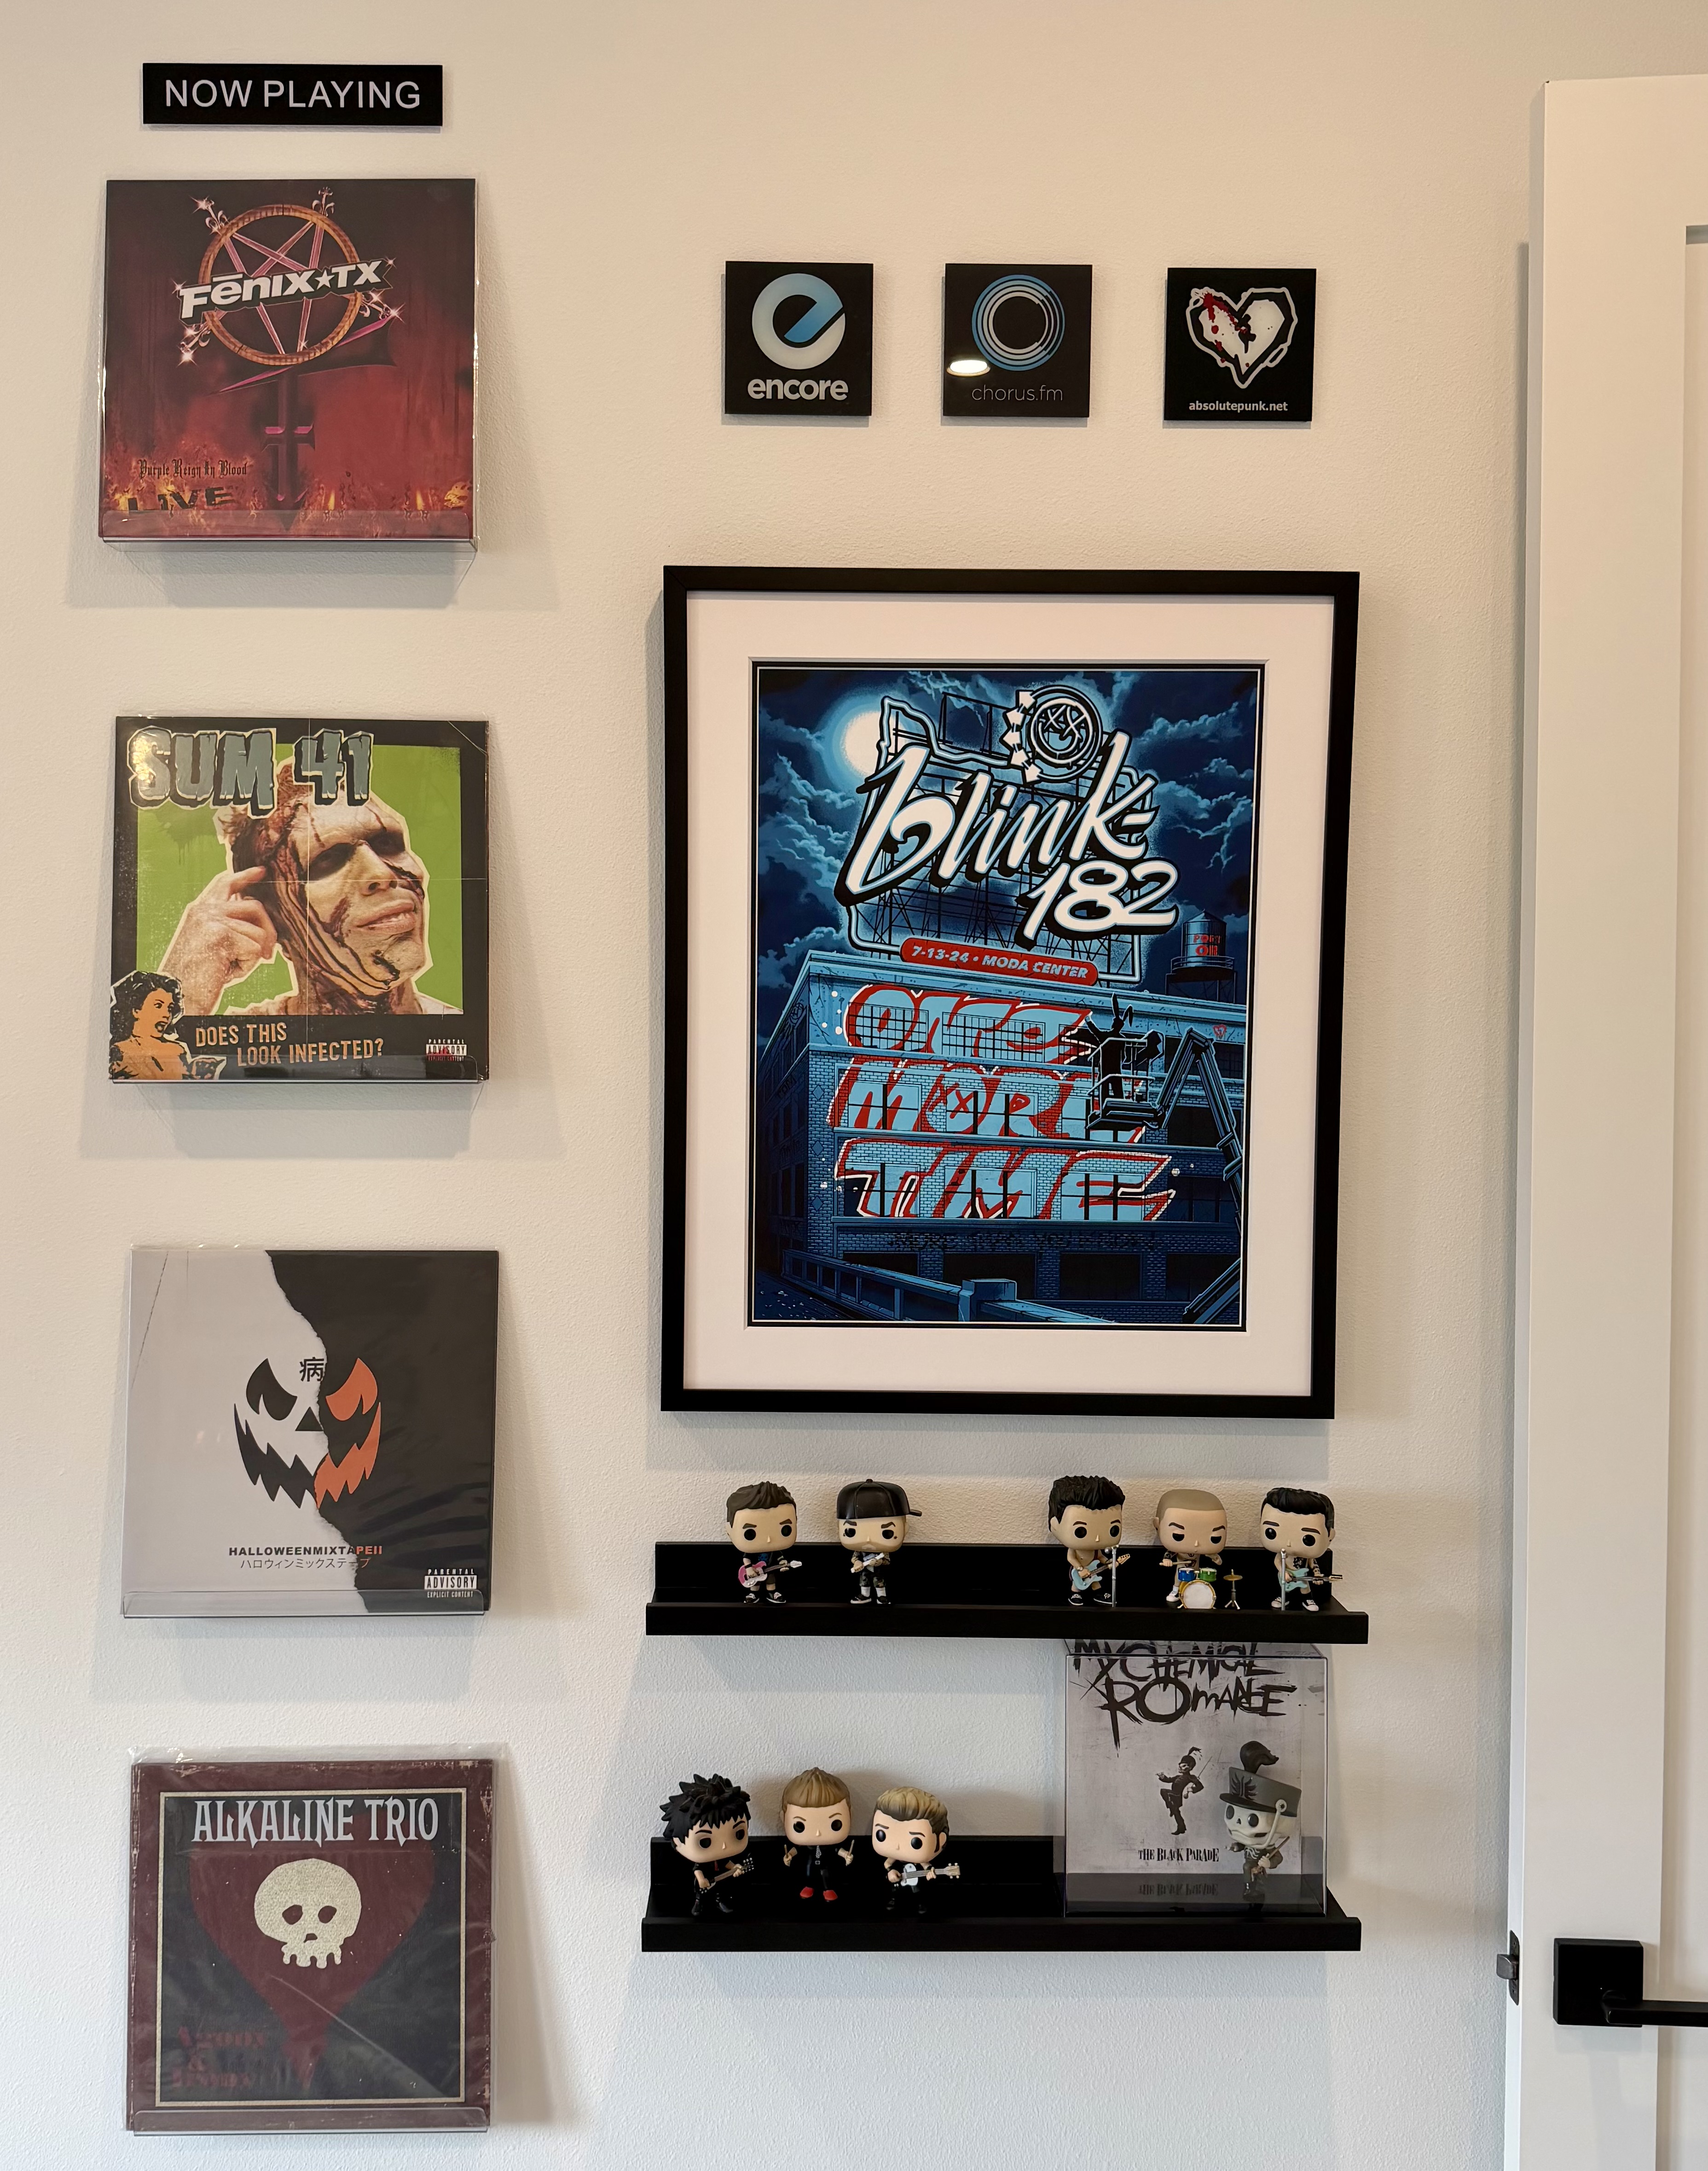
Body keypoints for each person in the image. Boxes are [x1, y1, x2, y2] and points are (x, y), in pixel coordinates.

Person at [157, 759, 457, 1019]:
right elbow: (149, 1063)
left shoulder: (464, 1036)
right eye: (327, 860)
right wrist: (183, 991)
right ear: (271, 918)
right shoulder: (242, 1043)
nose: (382, 873)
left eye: (386, 844)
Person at [660, 1775, 753, 1917]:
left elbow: (727, 1863)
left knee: (721, 1890)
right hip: (705, 1879)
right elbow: (697, 1869)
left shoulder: (722, 1858)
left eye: (739, 1834)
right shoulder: (701, 1862)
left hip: (719, 1878)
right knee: (702, 1892)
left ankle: (720, 1901)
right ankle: (699, 1902)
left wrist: (735, 1868)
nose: (724, 1846)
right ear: (678, 1842)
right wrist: (701, 1879)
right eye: (705, 1842)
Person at [870, 1785, 961, 1916]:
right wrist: (890, 1871)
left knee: (918, 1891)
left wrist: (931, 1874)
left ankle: (920, 1903)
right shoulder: (894, 1857)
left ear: (941, 1840)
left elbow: (928, 1867)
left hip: (916, 1880)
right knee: (895, 1890)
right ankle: (894, 1900)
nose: (898, 1846)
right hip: (899, 1878)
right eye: (882, 1835)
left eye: (916, 1842)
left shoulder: (921, 1860)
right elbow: (887, 1864)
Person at [1047, 1474, 1130, 1605]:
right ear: (1055, 1525)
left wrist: (1109, 1562)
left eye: (1113, 1529)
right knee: (1077, 1584)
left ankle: (1099, 1594)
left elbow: (1101, 1557)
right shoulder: (1074, 1550)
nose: (1097, 1539)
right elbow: (1071, 1558)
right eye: (1080, 1531)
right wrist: (1080, 1569)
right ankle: (1075, 1593)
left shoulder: (1096, 1551)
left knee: (1096, 1581)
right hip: (1079, 1571)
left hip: (1093, 1569)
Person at [837, 1479, 920, 1606]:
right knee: (864, 1582)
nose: (868, 1539)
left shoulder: (883, 1553)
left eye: (887, 1533)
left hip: (878, 1571)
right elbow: (855, 1558)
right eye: (851, 1532)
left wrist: (879, 1562)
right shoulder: (860, 1551)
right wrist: (858, 1563)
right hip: (865, 1570)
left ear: (905, 1529)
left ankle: (882, 1597)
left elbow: (887, 1561)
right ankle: (865, 1596)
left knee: (879, 1582)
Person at [779, 1767, 856, 1904]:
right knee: (809, 1873)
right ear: (784, 1818)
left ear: (850, 1816)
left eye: (835, 1824)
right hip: (809, 1863)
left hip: (827, 1863)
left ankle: (828, 1889)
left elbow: (837, 1850)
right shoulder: (806, 1846)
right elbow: (798, 1850)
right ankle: (809, 1886)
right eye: (800, 1825)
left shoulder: (829, 1846)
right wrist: (789, 1855)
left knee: (827, 1875)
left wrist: (846, 1855)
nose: (818, 1833)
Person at [726, 1481, 802, 1604]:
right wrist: (749, 1569)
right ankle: (753, 1594)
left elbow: (779, 1557)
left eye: (785, 1530)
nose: (769, 1540)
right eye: (750, 1533)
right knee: (755, 1582)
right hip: (754, 1570)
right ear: (729, 1531)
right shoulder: (751, 1552)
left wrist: (783, 1563)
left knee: (771, 1581)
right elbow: (747, 1559)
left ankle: (772, 1593)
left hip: (769, 1569)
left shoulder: (774, 1551)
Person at [109, 970, 189, 1079]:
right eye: (158, 1006)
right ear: (136, 1011)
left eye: (170, 1009)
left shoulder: (178, 1051)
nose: (167, 1015)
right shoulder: (121, 1051)